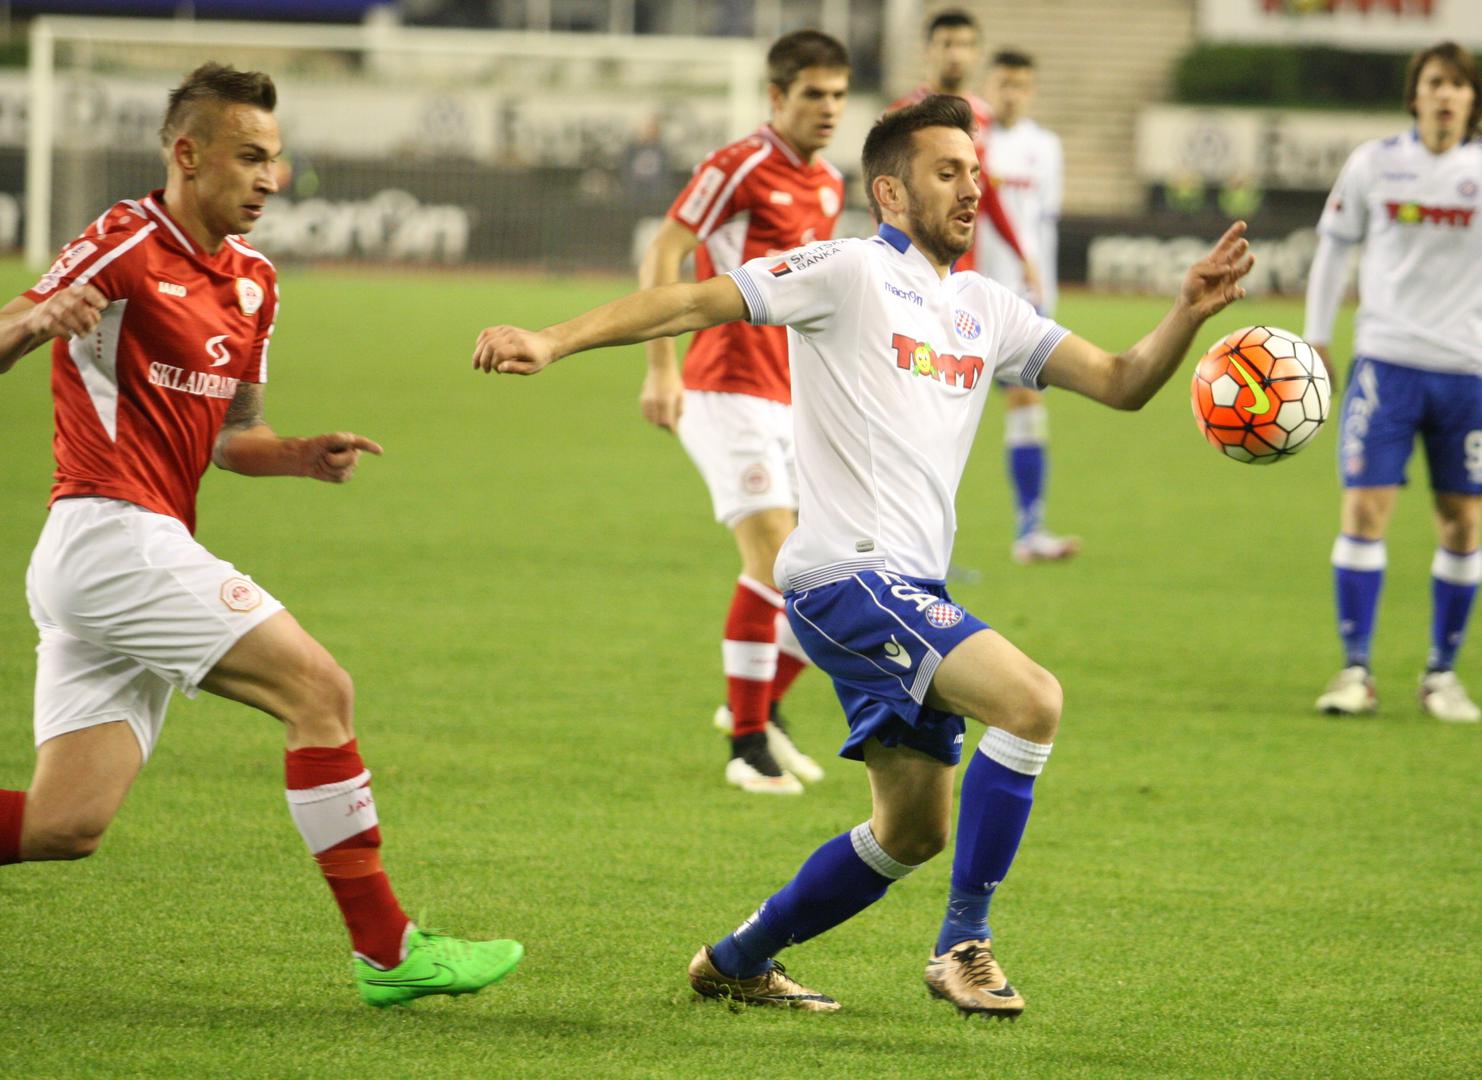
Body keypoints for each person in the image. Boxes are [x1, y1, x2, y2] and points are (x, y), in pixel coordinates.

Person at [471, 95, 1253, 1016]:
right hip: (846, 575)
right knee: (1032, 700)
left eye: (974, 171)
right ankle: (963, 946)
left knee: (911, 832)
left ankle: (735, 961)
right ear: (889, 191)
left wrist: (1185, 312)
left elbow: (1122, 382)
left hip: (906, 585)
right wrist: (553, 338)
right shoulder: (847, 270)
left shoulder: (987, 307)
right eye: (947, 172)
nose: (971, 189)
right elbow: (692, 298)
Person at [0, 62, 522, 1007]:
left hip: (123, 549)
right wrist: (39, 318)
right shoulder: (123, 241)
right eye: (249, 157)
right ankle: (389, 952)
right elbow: (10, 329)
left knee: (62, 825)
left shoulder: (255, 282)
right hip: (109, 529)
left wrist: (297, 455)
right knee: (320, 690)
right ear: (187, 154)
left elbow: (233, 435)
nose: (271, 179)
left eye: (275, 159)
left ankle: (389, 954)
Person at [637, 30, 850, 795]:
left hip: (787, 396)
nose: (829, 108)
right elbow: (664, 253)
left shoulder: (830, 184)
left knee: (824, 567)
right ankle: (747, 746)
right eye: (813, 94)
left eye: (838, 95)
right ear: (777, 95)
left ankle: (757, 705)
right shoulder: (739, 165)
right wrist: (661, 367)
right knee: (771, 558)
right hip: (723, 388)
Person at [1306, 41, 1482, 723]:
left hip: (1467, 372)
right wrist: (1318, 337)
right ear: (1416, 95)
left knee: (1463, 522)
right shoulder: (1374, 163)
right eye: (1435, 83)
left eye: (1458, 85)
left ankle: (1442, 674)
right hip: (1386, 363)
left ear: (1471, 99)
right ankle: (1356, 670)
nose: (1446, 95)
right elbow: (1334, 248)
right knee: (1363, 510)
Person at [889, 11, 1076, 564]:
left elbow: (984, 192)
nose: (956, 53)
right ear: (928, 50)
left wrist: (1023, 255)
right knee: (922, 413)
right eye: (947, 42)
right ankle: (901, 543)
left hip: (973, 288)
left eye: (966, 44)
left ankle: (1029, 528)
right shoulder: (902, 117)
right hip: (918, 284)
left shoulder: (981, 119)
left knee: (1023, 397)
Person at [979, 49, 1079, 564]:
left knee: (1026, 407)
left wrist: (1046, 296)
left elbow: (1045, 224)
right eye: (1003, 83)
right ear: (987, 85)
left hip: (1023, 301)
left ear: (1031, 90)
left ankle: (1030, 528)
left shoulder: (1046, 147)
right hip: (971, 294)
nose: (1011, 94)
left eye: (1020, 85)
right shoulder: (974, 140)